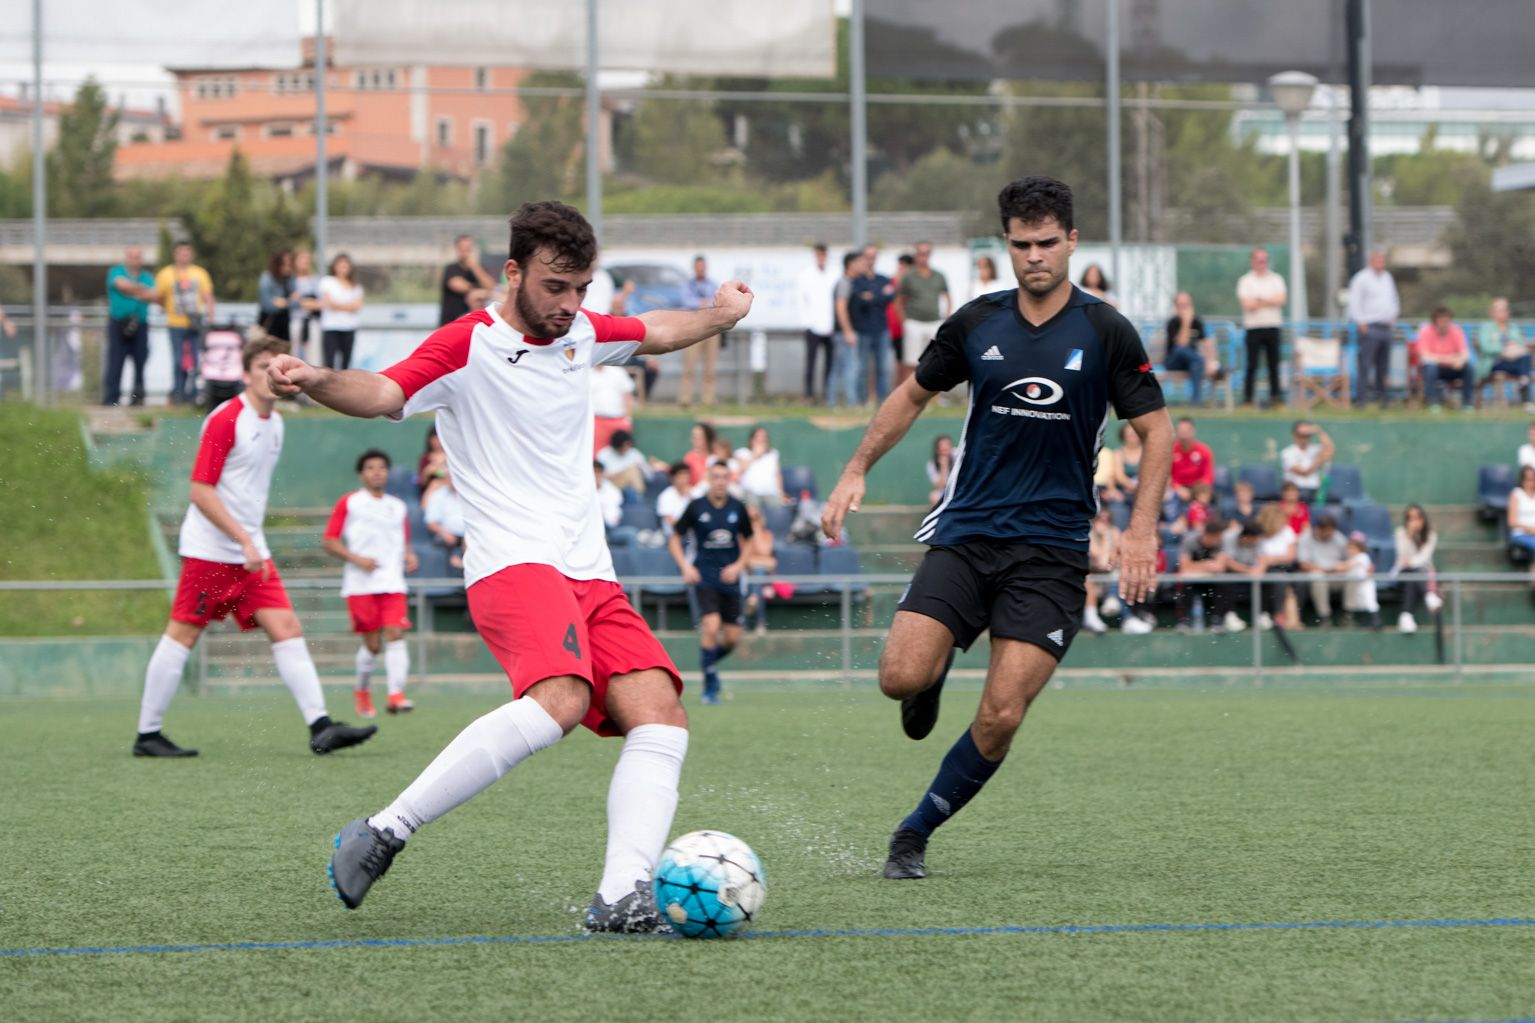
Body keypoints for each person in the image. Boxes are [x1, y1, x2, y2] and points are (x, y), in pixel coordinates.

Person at [267, 199, 753, 929]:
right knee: (559, 698)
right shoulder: (466, 344)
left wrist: (720, 314)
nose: (570, 304)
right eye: (556, 285)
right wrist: (312, 377)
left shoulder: (582, 331)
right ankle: (385, 829)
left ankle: (621, 893)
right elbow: (383, 391)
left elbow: (655, 332)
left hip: (588, 569)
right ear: (513, 271)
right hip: (512, 562)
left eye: (582, 288)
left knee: (661, 713)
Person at [820, 175, 1172, 881]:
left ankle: (913, 832)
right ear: (1004, 246)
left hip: (1051, 553)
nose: (1034, 255)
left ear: (1071, 241)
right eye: (1021, 244)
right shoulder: (976, 323)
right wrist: (856, 465)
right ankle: (931, 671)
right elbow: (911, 394)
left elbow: (1155, 430)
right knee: (897, 677)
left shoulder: (1105, 330)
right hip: (967, 533)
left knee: (1002, 714)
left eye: (1047, 242)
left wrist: (1141, 530)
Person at [132, 337, 377, 758]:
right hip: (212, 551)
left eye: (279, 365)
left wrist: (251, 544)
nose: (272, 372)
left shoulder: (277, 424)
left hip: (251, 554)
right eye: (263, 364)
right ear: (246, 373)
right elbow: (200, 491)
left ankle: (321, 726)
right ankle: (147, 734)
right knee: (184, 634)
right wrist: (243, 539)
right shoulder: (227, 419)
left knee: (287, 629)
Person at [323, 449, 419, 719]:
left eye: (381, 467)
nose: (377, 472)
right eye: (370, 468)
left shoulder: (397, 506)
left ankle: (395, 695)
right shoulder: (350, 503)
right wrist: (357, 559)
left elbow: (405, 540)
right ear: (361, 474)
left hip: (392, 582)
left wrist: (410, 555)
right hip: (360, 585)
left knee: (396, 634)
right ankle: (362, 690)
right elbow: (329, 541)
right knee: (373, 646)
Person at [668, 461, 753, 705]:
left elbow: (749, 540)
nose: (720, 481)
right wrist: (685, 566)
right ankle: (710, 687)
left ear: (729, 480)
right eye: (715, 476)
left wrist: (738, 566)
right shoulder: (696, 507)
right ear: (708, 478)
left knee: (733, 638)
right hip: (705, 577)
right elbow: (674, 538)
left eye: (724, 477)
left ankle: (708, 663)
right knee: (711, 625)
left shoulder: (738, 507)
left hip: (731, 580)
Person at [154, 241, 215, 405]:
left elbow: (208, 296)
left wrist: (210, 317)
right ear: (175, 254)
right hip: (175, 323)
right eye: (181, 252)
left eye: (187, 252)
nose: (184, 255)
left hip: (195, 323)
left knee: (196, 361)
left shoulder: (200, 273)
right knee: (177, 360)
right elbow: (158, 296)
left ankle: (193, 395)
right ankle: (179, 394)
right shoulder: (165, 274)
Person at [103, 244, 157, 406]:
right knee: (115, 363)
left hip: (140, 324)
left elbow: (154, 295)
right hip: (118, 323)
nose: (135, 260)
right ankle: (111, 399)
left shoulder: (147, 276)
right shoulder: (116, 272)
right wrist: (141, 291)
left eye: (138, 256)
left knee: (140, 362)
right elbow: (121, 285)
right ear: (127, 257)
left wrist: (132, 290)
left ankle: (138, 398)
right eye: (132, 256)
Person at [1346, 248, 1400, 406]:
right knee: (1365, 364)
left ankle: (1383, 398)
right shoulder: (1361, 278)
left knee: (1384, 366)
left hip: (1385, 327)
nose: (1380, 263)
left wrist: (1393, 317)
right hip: (1369, 326)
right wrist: (1361, 322)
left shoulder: (1387, 277)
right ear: (1371, 260)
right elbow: (1354, 302)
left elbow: (1394, 299)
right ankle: (1361, 398)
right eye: (1377, 260)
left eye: (1382, 260)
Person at [1236, 247, 1286, 406]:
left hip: (1272, 326)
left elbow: (1281, 299)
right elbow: (1246, 304)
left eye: (1264, 260)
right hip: (1253, 328)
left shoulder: (1276, 279)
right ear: (1253, 261)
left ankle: (1276, 398)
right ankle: (1248, 399)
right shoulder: (1245, 281)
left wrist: (1258, 301)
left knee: (1273, 364)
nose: (1262, 263)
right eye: (1259, 260)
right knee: (1252, 365)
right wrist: (1269, 301)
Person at [898, 241, 951, 388]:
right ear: (916, 255)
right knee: (910, 362)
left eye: (927, 253)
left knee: (936, 361)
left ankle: (935, 397)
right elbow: (899, 301)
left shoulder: (939, 275)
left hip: (934, 322)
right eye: (921, 254)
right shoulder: (908, 276)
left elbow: (947, 296)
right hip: (914, 322)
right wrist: (904, 321)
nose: (924, 257)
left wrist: (945, 318)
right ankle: (908, 393)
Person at [846, 250, 896, 406]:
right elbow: (860, 301)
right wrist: (879, 296)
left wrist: (872, 296)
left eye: (874, 257)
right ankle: (862, 400)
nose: (871, 260)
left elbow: (890, 296)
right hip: (863, 330)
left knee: (883, 368)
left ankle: (882, 401)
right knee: (862, 368)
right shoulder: (857, 281)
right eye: (868, 257)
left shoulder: (883, 279)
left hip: (881, 329)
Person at [1177, 517, 1245, 632]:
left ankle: (1218, 620)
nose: (1219, 540)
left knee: (1224, 583)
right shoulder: (1189, 541)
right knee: (1184, 585)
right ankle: (1184, 621)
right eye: (1217, 537)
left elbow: (1219, 567)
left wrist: (1196, 566)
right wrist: (1208, 564)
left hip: (1211, 581)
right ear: (1209, 535)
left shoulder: (1221, 543)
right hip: (1193, 581)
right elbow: (1184, 568)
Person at [797, 243, 840, 403]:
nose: (821, 258)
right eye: (819, 254)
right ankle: (809, 394)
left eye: (824, 254)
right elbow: (801, 300)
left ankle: (827, 394)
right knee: (811, 362)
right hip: (812, 325)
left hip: (831, 325)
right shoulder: (806, 275)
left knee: (830, 363)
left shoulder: (835, 273)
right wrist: (805, 323)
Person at [678, 255, 720, 407]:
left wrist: (702, 304)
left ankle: (708, 400)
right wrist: (701, 303)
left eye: (703, 266)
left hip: (711, 328)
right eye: (698, 266)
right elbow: (686, 301)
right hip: (693, 327)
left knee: (710, 367)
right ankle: (685, 399)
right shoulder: (687, 285)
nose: (700, 269)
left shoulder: (713, 284)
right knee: (689, 366)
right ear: (694, 268)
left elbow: (717, 302)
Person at [1478, 298, 1532, 410]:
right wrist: (1503, 349)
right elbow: (1485, 347)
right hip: (1495, 362)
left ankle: (1523, 385)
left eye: (1506, 309)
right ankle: (1526, 398)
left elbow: (1521, 345)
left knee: (1526, 356)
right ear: (1492, 313)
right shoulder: (1486, 328)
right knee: (1525, 369)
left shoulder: (1514, 328)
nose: (1505, 312)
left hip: (1515, 361)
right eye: (1501, 310)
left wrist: (1514, 349)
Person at [1415, 306, 1473, 409]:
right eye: (1441, 321)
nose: (1444, 323)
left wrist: (1460, 360)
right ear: (1435, 322)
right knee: (1430, 367)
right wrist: (1450, 358)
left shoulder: (1456, 330)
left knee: (1468, 368)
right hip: (1434, 369)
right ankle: (1433, 403)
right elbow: (1424, 355)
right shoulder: (1426, 331)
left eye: (1447, 320)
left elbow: (1465, 354)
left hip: (1452, 368)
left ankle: (1467, 404)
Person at [1391, 504, 1437, 633]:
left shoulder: (1430, 535)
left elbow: (1424, 559)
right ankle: (1428, 595)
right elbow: (1401, 556)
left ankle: (1406, 616)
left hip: (1421, 573)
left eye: (1417, 518)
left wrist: (1410, 563)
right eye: (1411, 518)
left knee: (1414, 574)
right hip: (1402, 573)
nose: (1414, 522)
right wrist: (1409, 535)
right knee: (1412, 573)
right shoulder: (1400, 533)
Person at [1297, 513, 1349, 624]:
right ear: (1318, 529)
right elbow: (1303, 564)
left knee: (1356, 575)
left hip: (1336, 575)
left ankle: (1348, 615)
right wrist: (1325, 569)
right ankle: (1325, 617)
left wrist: (1344, 566)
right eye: (1327, 532)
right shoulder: (1305, 538)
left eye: (1332, 531)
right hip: (1316, 574)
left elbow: (1350, 559)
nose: (1330, 534)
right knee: (1317, 576)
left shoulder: (1338, 537)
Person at [1163, 291, 1212, 405]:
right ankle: (1197, 401)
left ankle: (1195, 401)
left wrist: (1210, 363)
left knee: (1196, 363)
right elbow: (1181, 343)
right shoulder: (1172, 323)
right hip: (1173, 362)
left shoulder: (1197, 322)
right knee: (1181, 349)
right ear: (1175, 307)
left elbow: (1207, 342)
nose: (1184, 309)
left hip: (1191, 363)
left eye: (1187, 305)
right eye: (1181, 305)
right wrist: (1186, 322)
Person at [830, 251, 864, 409]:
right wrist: (848, 331)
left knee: (840, 367)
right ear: (851, 265)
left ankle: (832, 402)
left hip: (845, 332)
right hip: (844, 333)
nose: (863, 265)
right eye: (860, 262)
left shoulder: (853, 282)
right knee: (849, 368)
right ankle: (850, 403)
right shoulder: (844, 283)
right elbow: (841, 308)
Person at [319, 253, 364, 371]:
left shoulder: (356, 286)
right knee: (329, 362)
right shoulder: (327, 282)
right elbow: (329, 303)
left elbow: (357, 306)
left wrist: (338, 305)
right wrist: (348, 306)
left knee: (346, 363)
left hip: (349, 328)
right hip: (331, 327)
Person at [439, 234, 496, 326]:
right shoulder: (451, 269)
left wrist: (475, 266)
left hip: (473, 324)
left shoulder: (479, 270)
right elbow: (457, 285)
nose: (466, 252)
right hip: (451, 323)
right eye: (463, 248)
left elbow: (491, 286)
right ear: (457, 249)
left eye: (468, 248)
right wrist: (480, 291)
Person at [1081, 505, 1120, 634]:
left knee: (1119, 574)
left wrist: (1107, 537)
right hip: (1091, 578)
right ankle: (1091, 618)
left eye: (1107, 519)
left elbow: (1111, 562)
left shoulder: (1114, 532)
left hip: (1110, 578)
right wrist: (1104, 538)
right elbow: (1101, 561)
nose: (1104, 522)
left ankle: (1127, 617)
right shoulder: (1088, 533)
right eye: (1100, 519)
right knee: (1088, 580)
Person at [741, 503, 777, 636]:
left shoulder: (767, 535)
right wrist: (761, 561)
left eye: (755, 518)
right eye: (749, 519)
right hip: (746, 573)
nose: (752, 521)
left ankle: (746, 618)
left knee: (759, 573)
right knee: (756, 575)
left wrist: (755, 530)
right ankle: (760, 623)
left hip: (762, 575)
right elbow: (744, 560)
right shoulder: (741, 535)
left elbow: (764, 551)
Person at [597, 429, 668, 494]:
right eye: (624, 445)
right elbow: (600, 475)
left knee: (634, 471)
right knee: (631, 470)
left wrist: (644, 468)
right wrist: (624, 471)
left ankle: (638, 500)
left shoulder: (634, 453)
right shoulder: (604, 454)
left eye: (628, 445)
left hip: (632, 486)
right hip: (611, 486)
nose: (626, 448)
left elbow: (649, 476)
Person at [1280, 420, 1334, 501]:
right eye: (1301, 435)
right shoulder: (1287, 453)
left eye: (1307, 435)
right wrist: (1319, 460)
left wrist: (1319, 431)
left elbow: (1330, 450)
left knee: (1334, 500)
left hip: (1315, 489)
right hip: (1297, 491)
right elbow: (1304, 472)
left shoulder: (1314, 449)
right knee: (1306, 496)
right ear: (1294, 435)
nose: (1304, 438)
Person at [590, 361, 636, 454]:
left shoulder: (618, 372)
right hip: (596, 420)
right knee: (596, 453)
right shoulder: (586, 373)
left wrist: (628, 418)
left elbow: (627, 395)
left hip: (618, 419)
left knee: (623, 451)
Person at [423, 469, 466, 568]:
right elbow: (431, 522)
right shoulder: (438, 495)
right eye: (450, 477)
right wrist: (443, 532)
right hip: (446, 536)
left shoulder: (469, 495)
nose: (452, 480)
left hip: (467, 536)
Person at [735, 426, 787, 506]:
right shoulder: (743, 452)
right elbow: (739, 471)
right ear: (752, 440)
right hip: (750, 493)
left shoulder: (773, 454)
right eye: (758, 437)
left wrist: (781, 493)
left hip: (771, 493)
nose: (762, 439)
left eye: (764, 437)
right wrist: (754, 455)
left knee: (779, 507)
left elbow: (777, 476)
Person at [1169, 416, 1214, 505]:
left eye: (1186, 430)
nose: (1184, 433)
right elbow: (1167, 476)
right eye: (1181, 430)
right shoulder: (1170, 451)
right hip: (1177, 489)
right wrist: (1177, 488)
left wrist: (1198, 492)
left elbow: (1208, 476)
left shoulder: (1204, 450)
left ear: (1193, 431)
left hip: (1198, 488)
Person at [1341, 531, 1380, 628]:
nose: (1350, 550)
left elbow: (1348, 566)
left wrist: (1337, 566)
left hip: (1366, 584)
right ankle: (1363, 623)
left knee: (1370, 603)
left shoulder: (1362, 556)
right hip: (1358, 585)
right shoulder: (1353, 558)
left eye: (1353, 548)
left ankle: (1377, 622)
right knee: (1360, 604)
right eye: (1349, 548)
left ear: (1360, 548)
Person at [257, 249, 298, 342]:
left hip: (285, 325)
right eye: (285, 264)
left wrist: (281, 302)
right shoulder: (267, 278)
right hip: (269, 324)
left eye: (290, 265)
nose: (288, 268)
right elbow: (268, 306)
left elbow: (297, 303)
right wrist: (289, 301)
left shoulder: (289, 279)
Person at [291, 248, 321, 361]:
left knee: (313, 357)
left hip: (311, 322)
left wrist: (300, 301)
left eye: (307, 260)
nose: (305, 262)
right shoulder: (290, 281)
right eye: (301, 259)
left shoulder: (315, 280)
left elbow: (319, 304)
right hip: (294, 321)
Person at [657, 462, 694, 535]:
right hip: (673, 535)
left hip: (691, 535)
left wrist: (691, 498)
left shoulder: (692, 494)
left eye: (686, 476)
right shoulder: (666, 496)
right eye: (681, 477)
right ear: (673, 478)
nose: (684, 480)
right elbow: (669, 520)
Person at [417, 426, 448, 504]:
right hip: (429, 492)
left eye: (439, 438)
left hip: (449, 489)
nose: (437, 442)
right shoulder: (425, 458)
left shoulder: (451, 456)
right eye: (434, 438)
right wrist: (427, 472)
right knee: (434, 484)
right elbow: (421, 482)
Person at [594, 459, 624, 530]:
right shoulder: (584, 489)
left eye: (599, 472)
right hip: (592, 527)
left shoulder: (609, 487)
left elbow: (618, 501)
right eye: (595, 472)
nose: (597, 475)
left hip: (609, 526)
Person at [926, 434, 954, 506]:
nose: (946, 453)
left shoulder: (958, 455)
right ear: (937, 450)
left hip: (962, 489)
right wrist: (944, 467)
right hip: (946, 491)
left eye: (947, 449)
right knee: (934, 496)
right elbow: (940, 486)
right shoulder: (932, 464)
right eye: (943, 450)